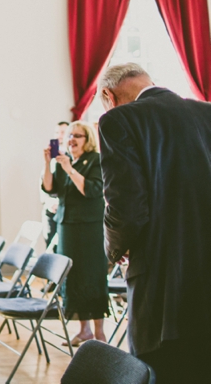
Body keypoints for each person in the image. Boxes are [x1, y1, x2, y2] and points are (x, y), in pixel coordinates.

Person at [97, 63, 211, 383]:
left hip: (162, 284)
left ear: (109, 95)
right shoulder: (207, 112)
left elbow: (127, 208)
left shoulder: (118, 120)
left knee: (163, 370)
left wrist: (114, 248)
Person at [42, 120, 107, 345]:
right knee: (74, 277)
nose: (72, 140)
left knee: (92, 276)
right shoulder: (63, 163)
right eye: (69, 136)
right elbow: (51, 189)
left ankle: (99, 332)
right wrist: (47, 163)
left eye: (77, 136)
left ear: (87, 140)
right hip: (67, 226)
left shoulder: (96, 161)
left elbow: (91, 190)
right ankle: (84, 330)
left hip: (90, 228)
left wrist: (70, 169)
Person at [41, 121, 68, 247]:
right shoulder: (52, 158)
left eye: (63, 132)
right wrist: (48, 202)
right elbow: (44, 185)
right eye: (57, 132)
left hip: (65, 211)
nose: (59, 135)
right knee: (50, 246)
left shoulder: (71, 158)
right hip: (50, 210)